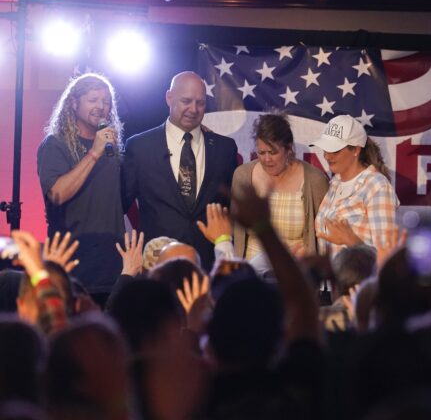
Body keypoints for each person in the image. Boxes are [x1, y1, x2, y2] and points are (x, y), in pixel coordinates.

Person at [122, 71, 238, 270]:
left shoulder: (225, 148)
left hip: (209, 265)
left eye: (200, 103)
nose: (193, 109)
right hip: (155, 264)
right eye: (186, 101)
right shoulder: (139, 147)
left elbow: (232, 206)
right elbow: (120, 205)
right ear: (169, 98)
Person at [37, 73, 124, 298]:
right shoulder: (55, 144)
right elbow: (57, 193)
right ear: (74, 103)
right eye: (93, 100)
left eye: (106, 102)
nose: (101, 107)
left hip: (111, 264)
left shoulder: (111, 148)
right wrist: (94, 153)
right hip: (73, 264)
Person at [231, 113, 328, 262]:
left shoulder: (315, 180)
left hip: (295, 272)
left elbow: (324, 236)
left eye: (273, 152)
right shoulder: (242, 176)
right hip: (251, 275)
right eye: (261, 152)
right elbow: (236, 229)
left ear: (288, 149)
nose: (266, 159)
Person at [310, 114, 399, 257]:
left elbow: (387, 255)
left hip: (360, 279)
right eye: (325, 148)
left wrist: (352, 241)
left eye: (335, 150)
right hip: (331, 278)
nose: (327, 156)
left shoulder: (377, 187)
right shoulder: (335, 183)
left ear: (356, 150)